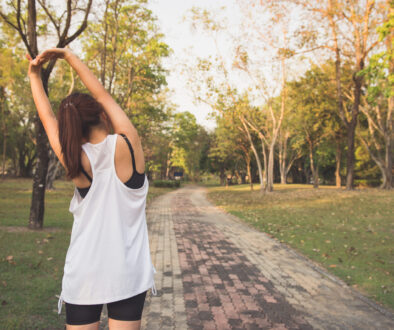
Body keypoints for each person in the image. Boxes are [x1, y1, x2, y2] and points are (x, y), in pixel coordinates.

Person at [27, 48, 157, 330]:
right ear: (100, 113)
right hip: (128, 274)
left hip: (84, 274)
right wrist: (68, 56)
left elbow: (48, 119)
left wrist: (34, 75)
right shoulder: (128, 145)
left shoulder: (74, 157)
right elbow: (103, 96)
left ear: (71, 127)